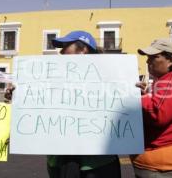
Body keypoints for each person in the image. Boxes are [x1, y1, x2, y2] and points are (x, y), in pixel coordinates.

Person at [48, 31, 121, 178]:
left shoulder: (111, 78)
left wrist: (135, 93)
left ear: (83, 50)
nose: (61, 51)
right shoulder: (52, 75)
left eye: (65, 46)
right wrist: (18, 95)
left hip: (97, 162)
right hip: (61, 159)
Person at [132, 38, 172, 178]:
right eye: (148, 58)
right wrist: (146, 95)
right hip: (160, 166)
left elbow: (157, 113)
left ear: (171, 60)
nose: (148, 62)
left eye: (154, 57)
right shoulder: (167, 81)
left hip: (162, 168)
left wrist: (134, 98)